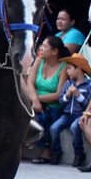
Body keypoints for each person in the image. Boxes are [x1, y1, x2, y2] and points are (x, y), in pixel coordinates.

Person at [26, 35, 69, 164]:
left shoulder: (64, 67)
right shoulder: (39, 61)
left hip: (53, 105)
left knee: (44, 116)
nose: (41, 49)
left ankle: (46, 151)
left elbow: (58, 94)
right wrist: (34, 100)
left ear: (54, 51)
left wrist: (38, 99)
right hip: (35, 101)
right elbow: (30, 82)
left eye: (45, 46)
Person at [51, 54, 91, 166]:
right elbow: (61, 101)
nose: (67, 71)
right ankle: (56, 151)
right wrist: (68, 95)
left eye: (70, 68)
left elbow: (88, 104)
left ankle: (79, 154)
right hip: (67, 114)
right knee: (54, 128)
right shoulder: (67, 84)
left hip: (80, 114)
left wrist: (78, 95)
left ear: (79, 69)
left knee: (75, 127)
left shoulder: (90, 85)